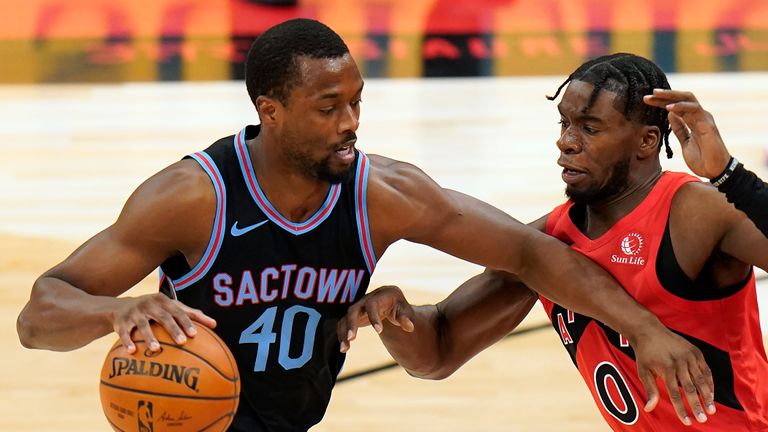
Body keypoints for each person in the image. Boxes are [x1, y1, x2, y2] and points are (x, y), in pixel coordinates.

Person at [16, 19, 711, 431]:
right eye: (328, 107)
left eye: (356, 101)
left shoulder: (382, 192)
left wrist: (646, 328)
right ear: (272, 109)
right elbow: (39, 313)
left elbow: (531, 253)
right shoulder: (193, 197)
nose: (350, 122)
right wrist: (117, 310)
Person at [339, 52, 768, 430]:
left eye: (590, 128)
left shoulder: (694, 212)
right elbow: (438, 352)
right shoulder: (546, 246)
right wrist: (396, 314)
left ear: (647, 141)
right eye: (565, 123)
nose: (565, 142)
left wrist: (728, 174)